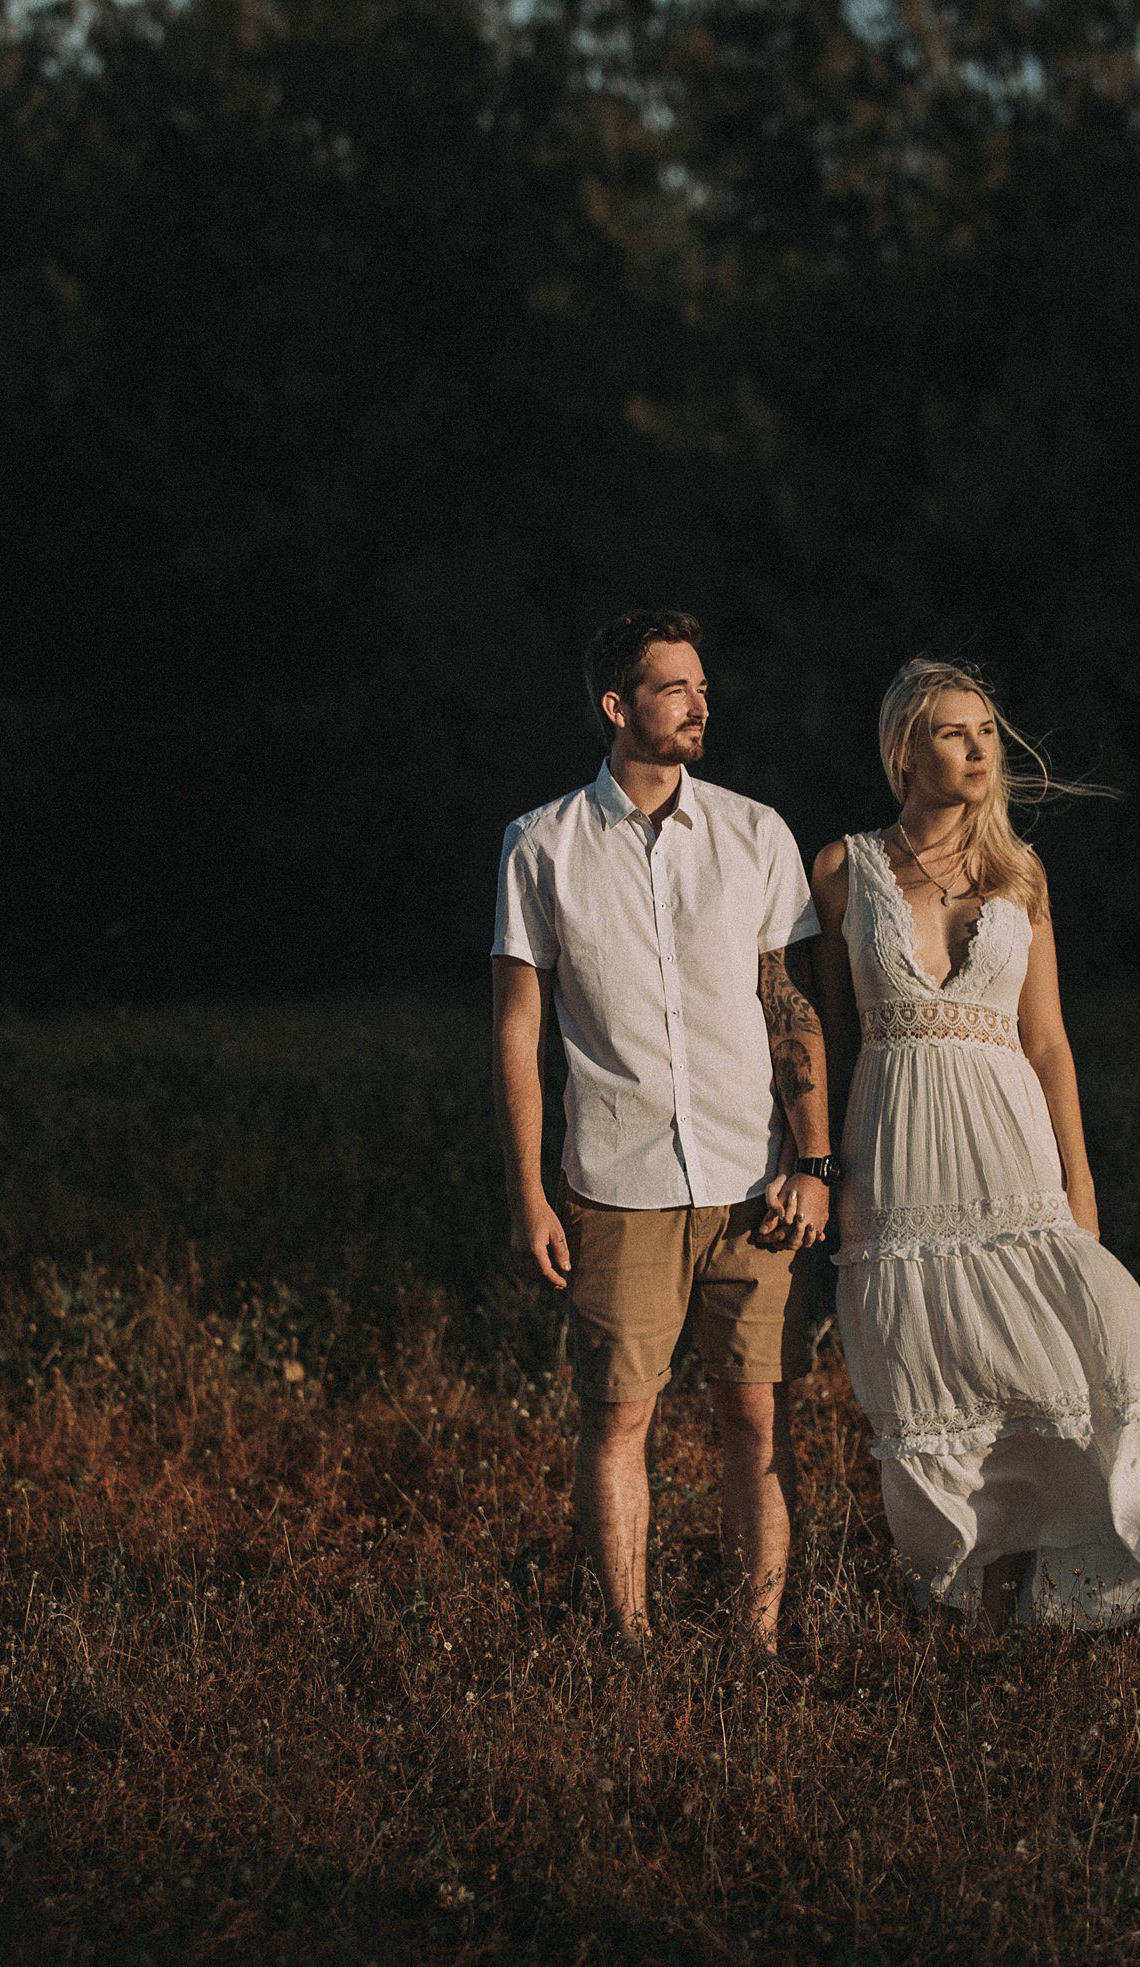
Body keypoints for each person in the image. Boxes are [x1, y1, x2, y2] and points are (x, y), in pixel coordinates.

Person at [805, 657, 1140, 1633]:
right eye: (955, 731)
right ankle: (959, 1624)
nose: (978, 747)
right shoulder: (841, 869)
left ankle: (1029, 1620)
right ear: (903, 747)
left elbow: (1047, 1040)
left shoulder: (1019, 872)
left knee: (1060, 1372)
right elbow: (830, 1037)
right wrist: (822, 1163)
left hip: (1015, 1162)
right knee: (929, 1379)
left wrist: (1080, 1180)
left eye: (987, 731)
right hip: (896, 1159)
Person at [490, 609, 837, 1653]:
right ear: (617, 704)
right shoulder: (540, 844)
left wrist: (815, 1162)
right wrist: (529, 1191)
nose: (699, 702)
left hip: (751, 1183)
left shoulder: (754, 831)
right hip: (618, 1181)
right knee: (617, 1420)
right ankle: (632, 1647)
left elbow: (793, 1005)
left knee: (757, 1421)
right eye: (673, 686)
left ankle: (757, 1642)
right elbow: (517, 1031)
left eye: (701, 685)